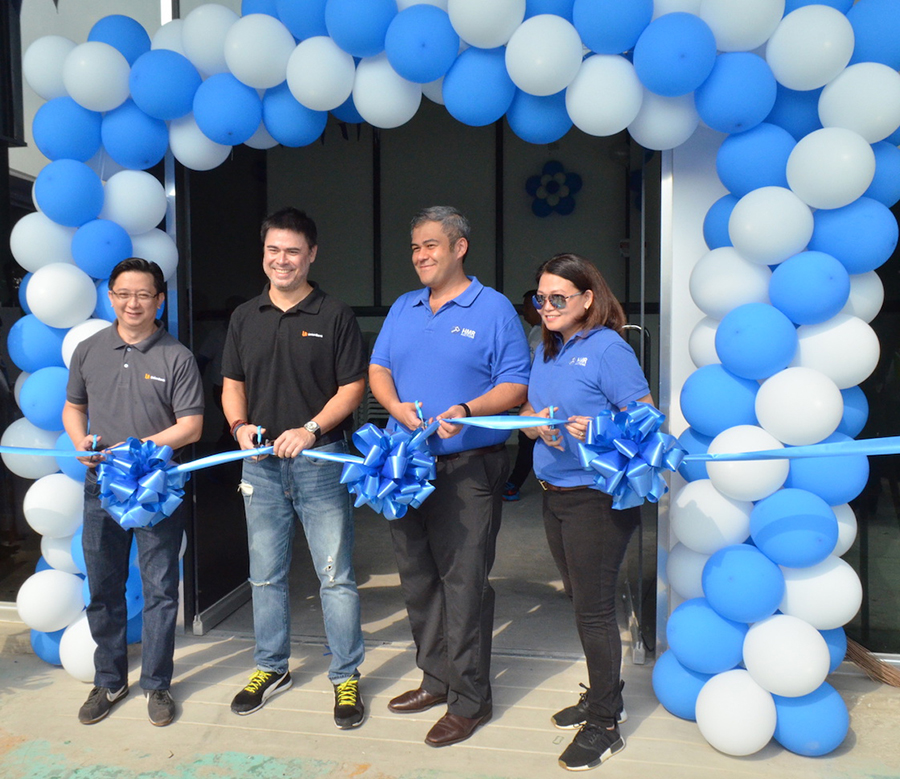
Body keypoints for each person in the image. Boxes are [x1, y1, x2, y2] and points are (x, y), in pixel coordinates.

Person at [369, 206, 530, 747]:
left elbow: (515, 385)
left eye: (431, 245)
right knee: (417, 578)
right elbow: (379, 366)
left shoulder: (495, 309)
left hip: (469, 468)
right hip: (407, 465)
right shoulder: (404, 307)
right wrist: (393, 406)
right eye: (415, 247)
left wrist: (467, 407)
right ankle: (435, 679)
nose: (421, 255)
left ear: (460, 247)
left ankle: (469, 700)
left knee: (463, 585)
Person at [221, 207, 367, 729]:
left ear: (312, 255)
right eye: (273, 250)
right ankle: (271, 667)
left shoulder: (334, 315)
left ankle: (346, 675)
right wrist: (239, 427)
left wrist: (309, 429)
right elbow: (232, 381)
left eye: (292, 251)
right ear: (264, 254)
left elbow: (352, 387)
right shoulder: (244, 315)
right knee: (265, 576)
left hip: (320, 465)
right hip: (259, 467)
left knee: (335, 577)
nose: (282, 260)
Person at [519, 253, 652, 772]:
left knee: (594, 610)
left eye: (559, 298)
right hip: (554, 491)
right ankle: (603, 690)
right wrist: (537, 426)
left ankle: (605, 722)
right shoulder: (545, 348)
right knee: (580, 599)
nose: (547, 307)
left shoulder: (608, 348)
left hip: (595, 497)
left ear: (587, 299)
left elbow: (644, 420)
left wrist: (595, 430)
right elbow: (530, 413)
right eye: (541, 298)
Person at [63, 258, 204, 727]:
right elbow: (72, 407)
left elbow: (191, 427)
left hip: (155, 490)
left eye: (143, 294)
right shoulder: (88, 349)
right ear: (111, 297)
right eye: (123, 293)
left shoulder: (176, 356)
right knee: (103, 585)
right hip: (101, 487)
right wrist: (79, 439)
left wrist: (139, 449)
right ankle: (110, 680)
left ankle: (157, 685)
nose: (133, 303)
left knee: (161, 589)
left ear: (159, 300)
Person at [502, 289, 543, 502]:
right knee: (526, 439)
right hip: (528, 396)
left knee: (528, 441)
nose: (525, 312)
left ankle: (514, 484)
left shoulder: (547, 332)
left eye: (528, 306)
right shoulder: (534, 331)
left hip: (540, 397)